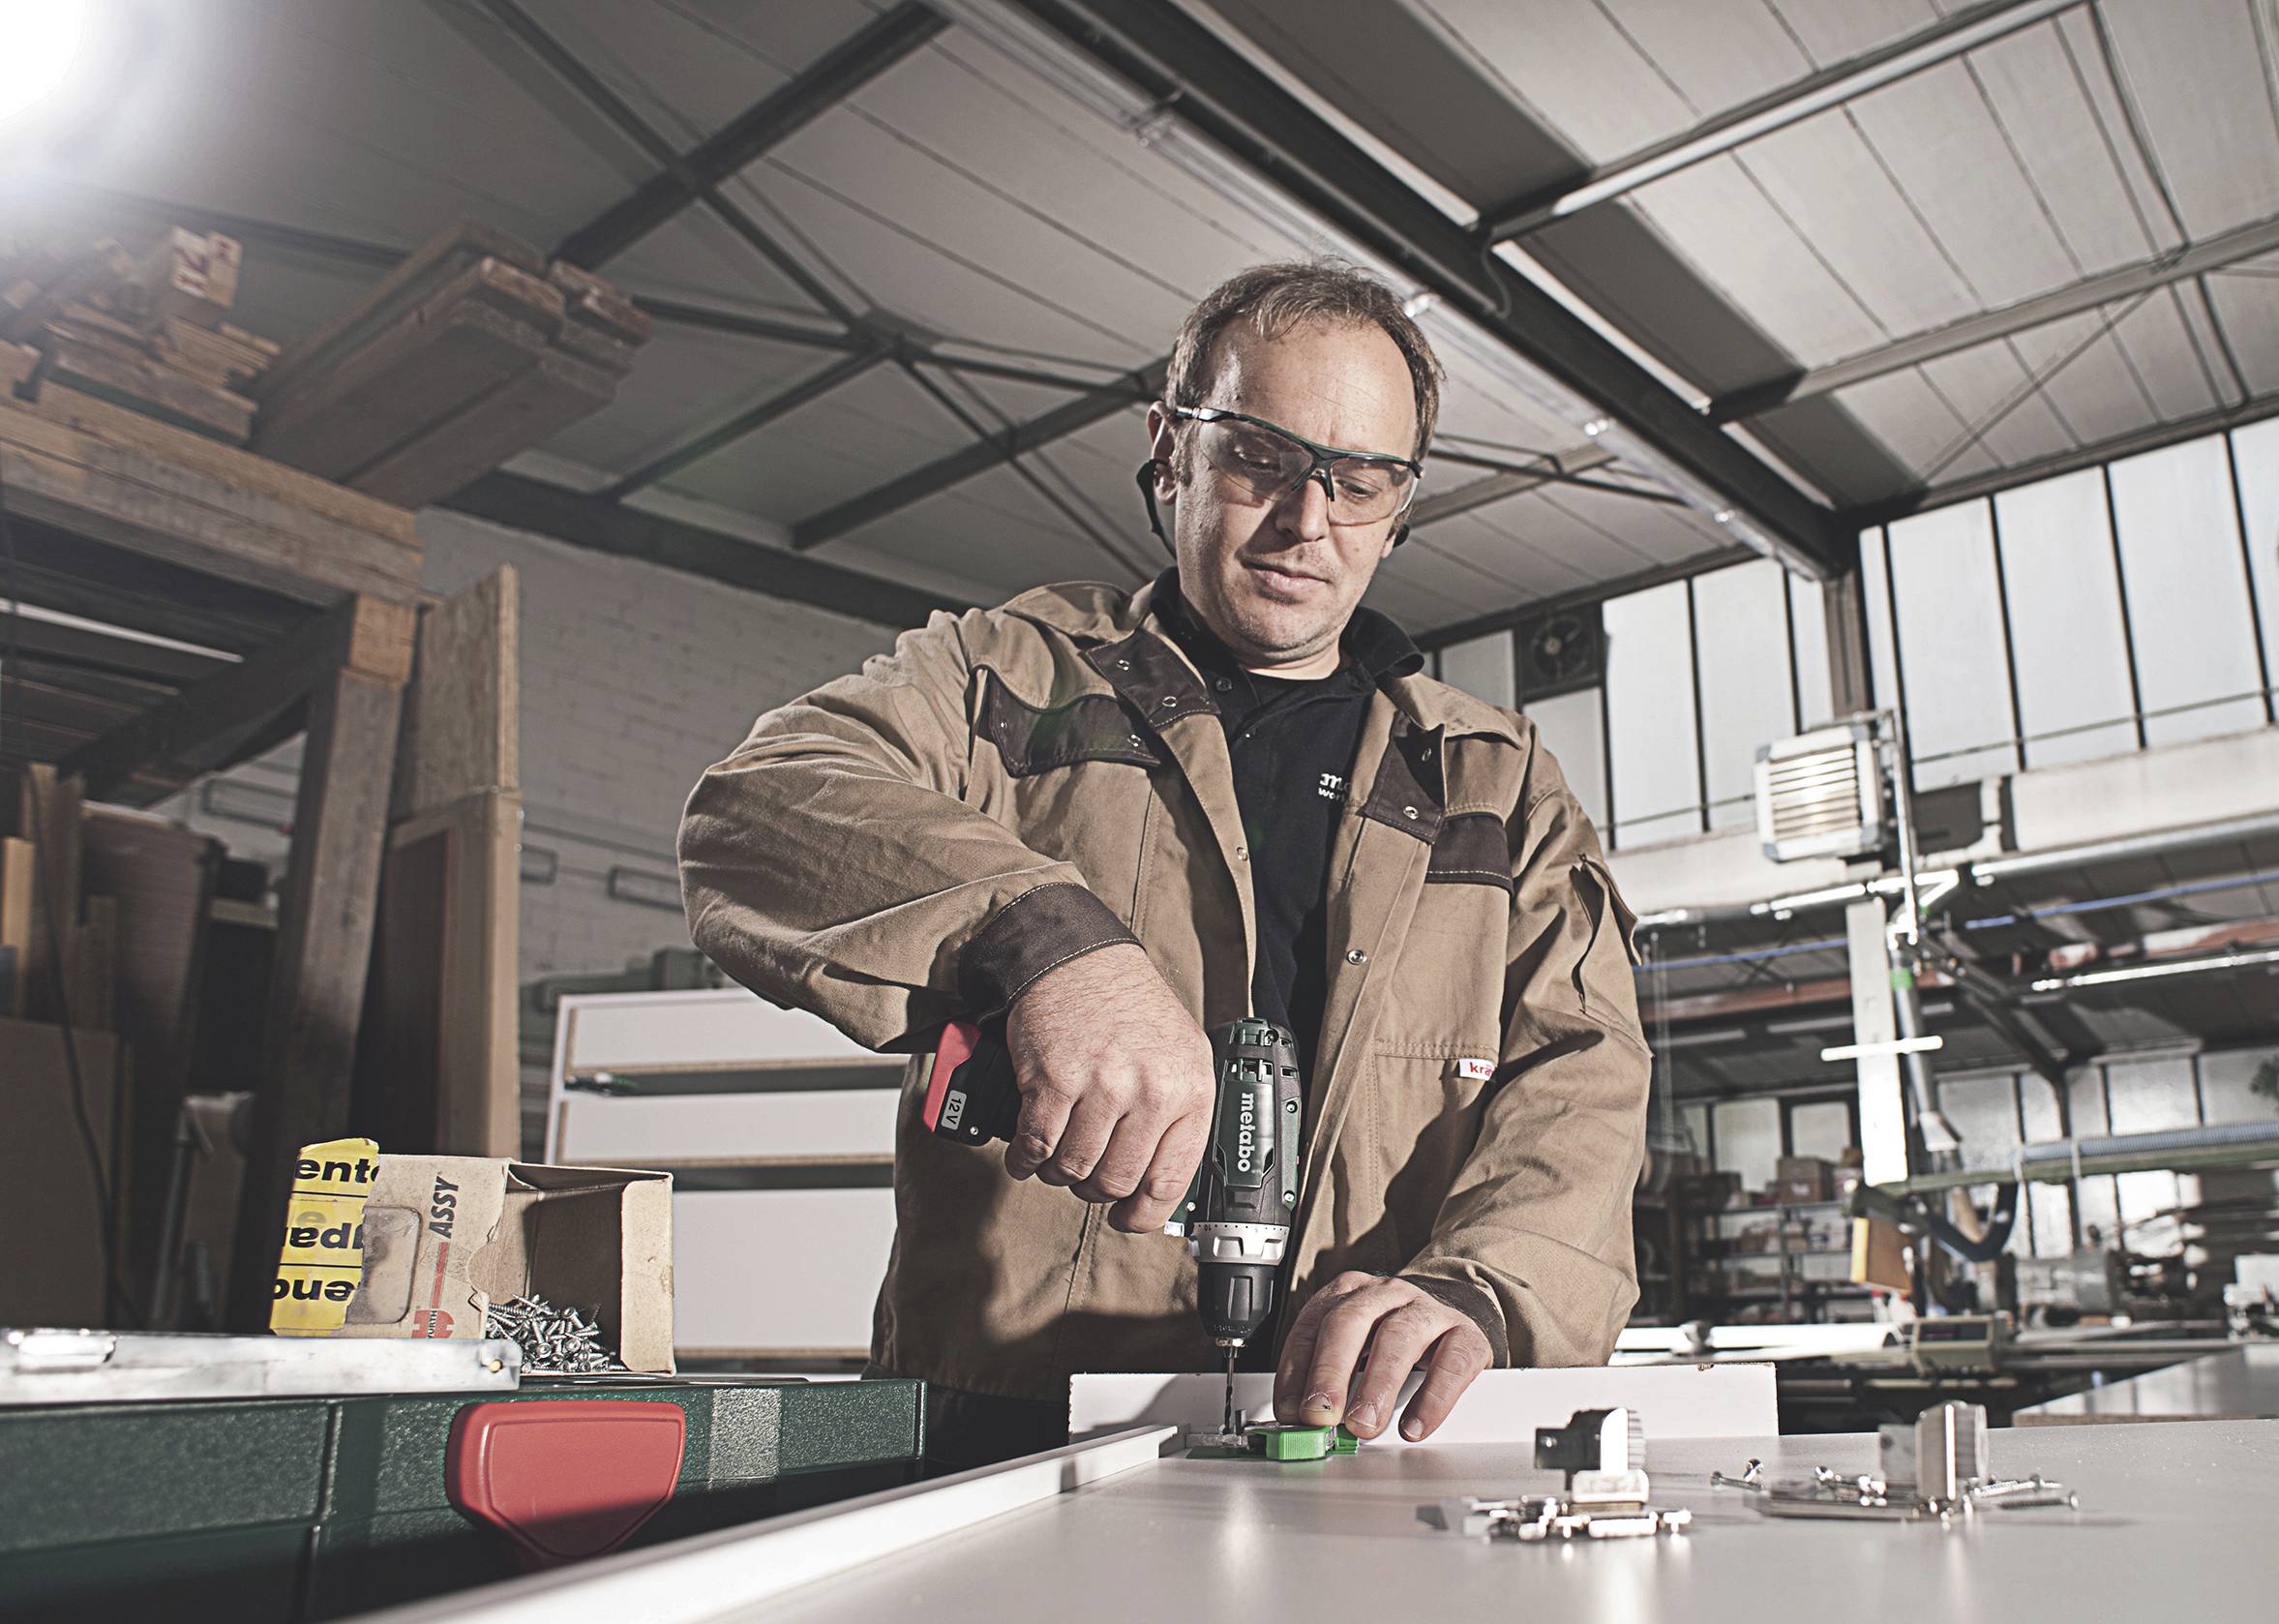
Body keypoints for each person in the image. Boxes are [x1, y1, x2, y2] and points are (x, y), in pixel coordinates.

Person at [678, 260, 1650, 1472]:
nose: (1307, 522)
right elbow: (758, 806)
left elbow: (1586, 1081)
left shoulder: (1493, 784)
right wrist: (1042, 940)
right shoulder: (1010, 679)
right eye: (1259, 457)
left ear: (1400, 508)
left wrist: (1486, 1291)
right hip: (1008, 1434)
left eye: (1359, 483)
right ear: (1168, 449)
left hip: (1372, 1437)